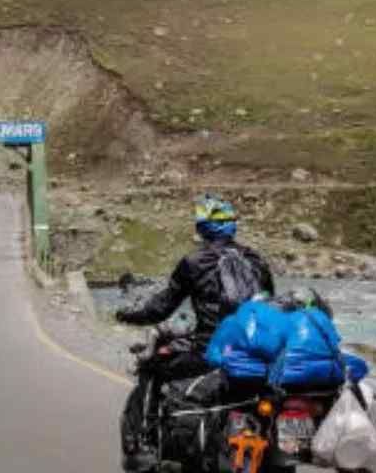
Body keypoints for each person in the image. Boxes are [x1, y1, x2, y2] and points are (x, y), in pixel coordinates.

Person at [114, 194, 275, 471]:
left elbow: (161, 308)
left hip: (207, 351)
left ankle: (141, 446)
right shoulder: (256, 260)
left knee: (152, 368)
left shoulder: (194, 262)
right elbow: (270, 304)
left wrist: (128, 313)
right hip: (256, 354)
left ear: (202, 228)